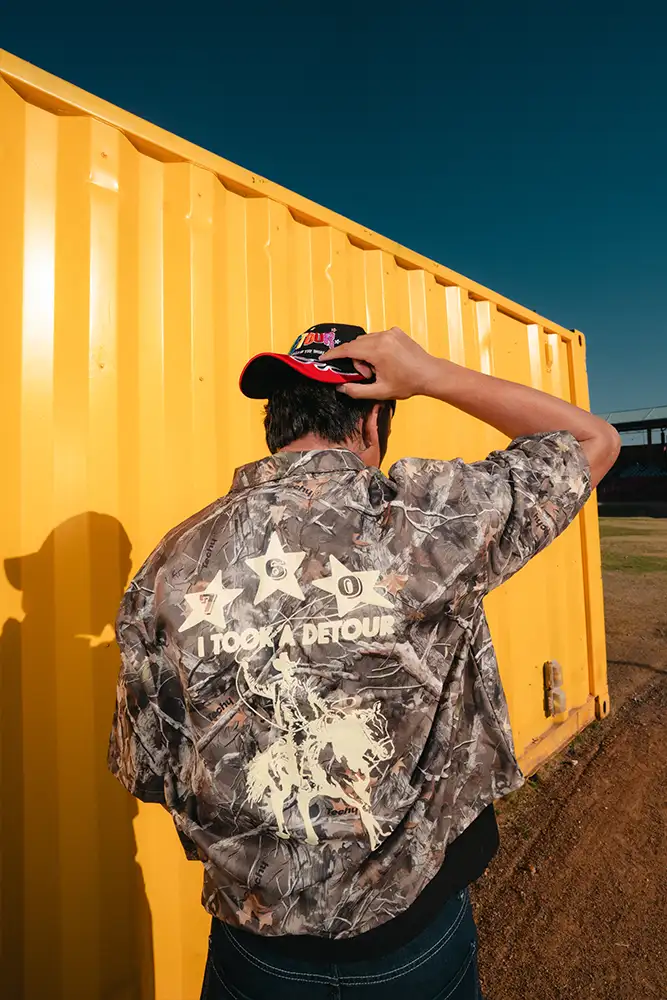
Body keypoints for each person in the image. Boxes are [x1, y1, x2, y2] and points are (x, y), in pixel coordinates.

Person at [109, 324, 620, 1000]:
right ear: (374, 420)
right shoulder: (428, 520)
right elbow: (594, 441)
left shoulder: (168, 566)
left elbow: (147, 771)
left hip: (254, 950)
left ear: (276, 421)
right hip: (413, 938)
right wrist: (432, 375)